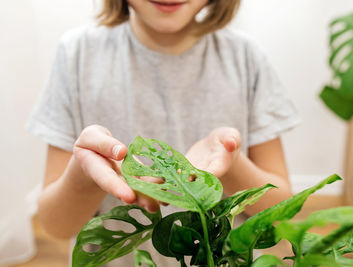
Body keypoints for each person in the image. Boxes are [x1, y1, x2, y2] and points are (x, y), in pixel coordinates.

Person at [26, 0, 300, 266]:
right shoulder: (77, 55)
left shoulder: (245, 57)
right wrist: (83, 175)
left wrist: (231, 164)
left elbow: (281, 209)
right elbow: (56, 225)